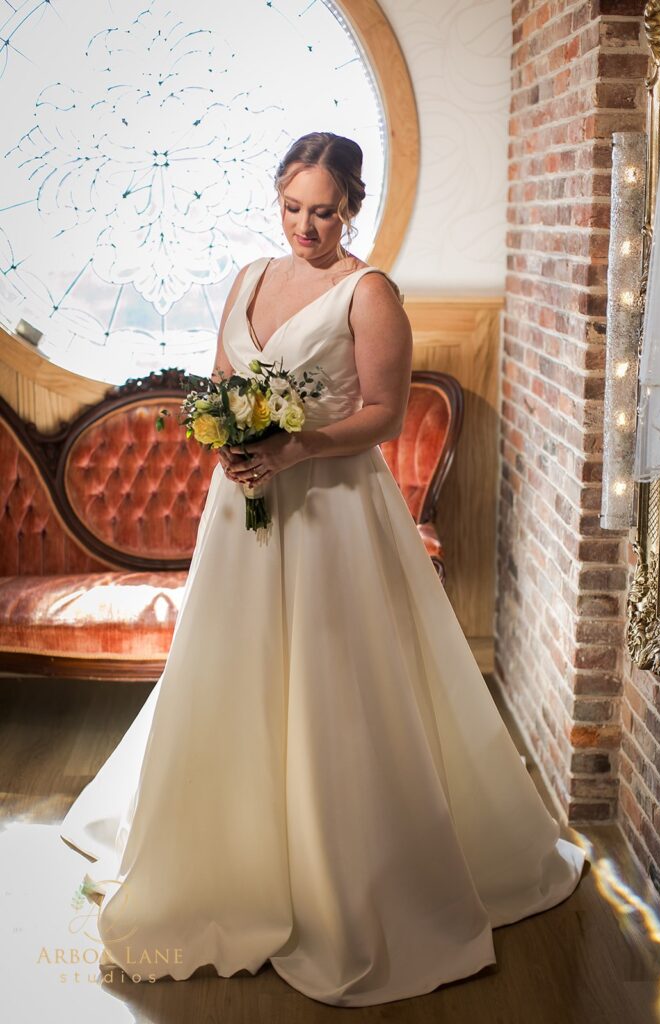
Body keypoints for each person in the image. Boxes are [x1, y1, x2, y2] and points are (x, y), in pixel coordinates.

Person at [60, 131, 587, 1007]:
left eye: (325, 211)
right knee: (236, 669)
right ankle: (231, 851)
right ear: (279, 202)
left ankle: (344, 872)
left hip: (332, 512)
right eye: (293, 208)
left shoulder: (367, 293)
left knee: (335, 681)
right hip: (243, 511)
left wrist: (295, 444)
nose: (307, 226)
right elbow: (223, 378)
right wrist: (232, 441)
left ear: (352, 207)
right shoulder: (251, 279)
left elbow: (382, 417)